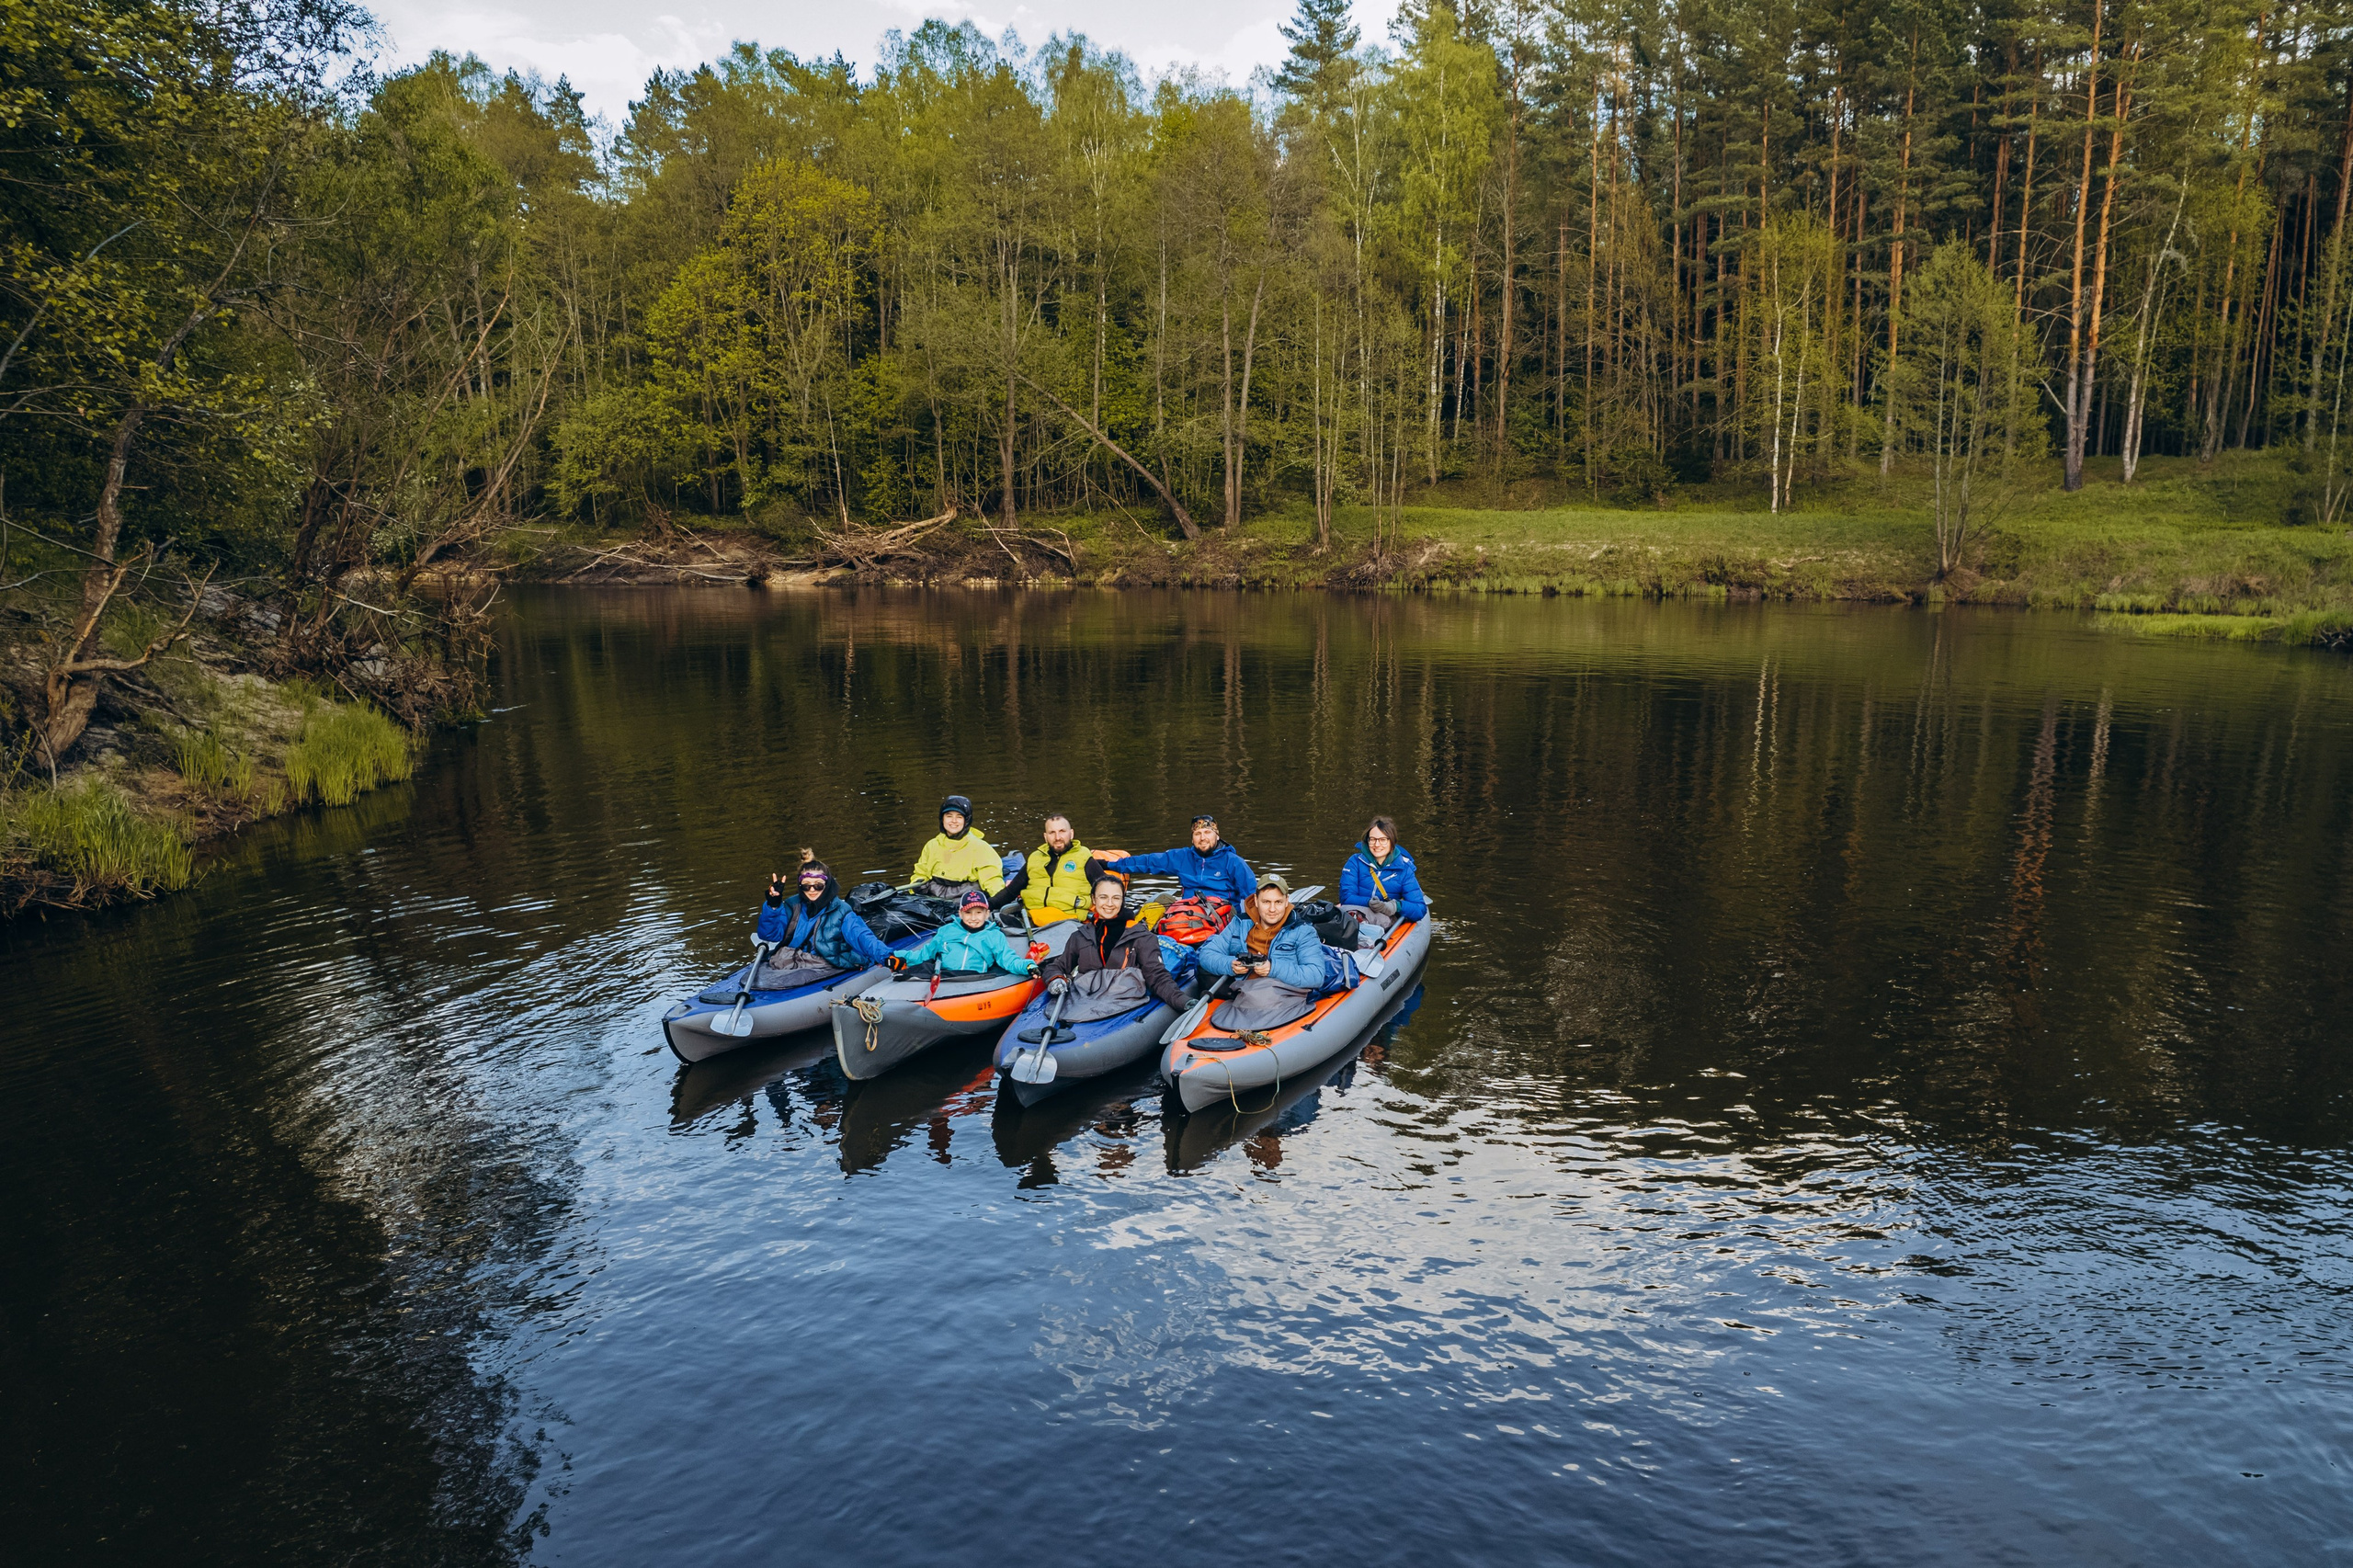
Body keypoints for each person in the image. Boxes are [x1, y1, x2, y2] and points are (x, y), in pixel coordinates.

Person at [1037, 876, 1190, 1013]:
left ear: (1123, 900)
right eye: (1103, 897)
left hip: (1125, 1003)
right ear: (1094, 899)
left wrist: (1182, 1001)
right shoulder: (1079, 936)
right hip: (1083, 1002)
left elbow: (1157, 977)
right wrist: (1055, 978)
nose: (1109, 904)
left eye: (1116, 898)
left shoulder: (1143, 937)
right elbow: (1057, 966)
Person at [755, 860, 896, 976]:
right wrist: (773, 906)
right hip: (789, 962)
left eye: (818, 885)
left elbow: (862, 937)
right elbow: (769, 935)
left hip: (826, 963)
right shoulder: (791, 906)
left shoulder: (842, 911)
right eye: (806, 886)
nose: (812, 890)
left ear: (827, 885)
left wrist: (886, 957)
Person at [1096, 813, 1256, 912]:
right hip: (1188, 910)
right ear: (1192, 839)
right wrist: (1109, 865)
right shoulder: (1182, 857)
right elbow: (1147, 862)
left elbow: (1251, 895)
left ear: (1217, 836)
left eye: (1207, 832)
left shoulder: (1233, 862)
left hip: (1222, 912)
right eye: (1197, 833)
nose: (1202, 837)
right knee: (1157, 904)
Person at [1196, 873, 1326, 991]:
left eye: (1278, 902)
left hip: (1281, 994)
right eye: (1266, 902)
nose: (1272, 909)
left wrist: (1273, 969)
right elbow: (1207, 954)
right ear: (1256, 901)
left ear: (1287, 901)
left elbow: (1316, 975)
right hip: (1241, 990)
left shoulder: (1303, 930)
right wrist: (1230, 964)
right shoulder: (1239, 923)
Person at [887, 889, 1040, 977]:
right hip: (944, 977)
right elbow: (923, 955)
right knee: (920, 968)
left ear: (987, 914)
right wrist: (897, 956)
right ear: (960, 913)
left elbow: (1007, 959)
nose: (973, 918)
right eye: (968, 913)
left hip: (973, 979)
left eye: (979, 913)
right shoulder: (946, 931)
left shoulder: (993, 935)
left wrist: (1027, 966)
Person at [989, 812, 1105, 925]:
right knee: (997, 921)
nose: (1057, 837)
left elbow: (1106, 887)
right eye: (1052, 833)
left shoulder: (1083, 858)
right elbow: (1010, 892)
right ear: (1045, 837)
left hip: (1070, 921)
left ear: (1071, 833)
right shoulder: (1035, 858)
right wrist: (984, 904)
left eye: (1062, 831)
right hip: (1032, 919)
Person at [906, 794, 1006, 898]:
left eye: (959, 817)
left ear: (966, 821)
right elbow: (920, 873)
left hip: (967, 898)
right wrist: (916, 887)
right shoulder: (931, 845)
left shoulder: (980, 848)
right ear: (942, 819)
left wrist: (999, 900)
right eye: (949, 816)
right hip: (936, 896)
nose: (954, 821)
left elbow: (991, 879)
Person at [1339, 815, 1427, 924]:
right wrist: (1370, 902)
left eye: (1383, 840)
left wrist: (1394, 906)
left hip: (1385, 917)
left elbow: (1419, 909)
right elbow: (1346, 897)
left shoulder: (1404, 869)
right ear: (1367, 841)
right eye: (1372, 839)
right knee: (1344, 915)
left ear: (1392, 842)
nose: (1377, 844)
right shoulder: (1355, 862)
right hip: (1354, 911)